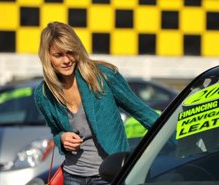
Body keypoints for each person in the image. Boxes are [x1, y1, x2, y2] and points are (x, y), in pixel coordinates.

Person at [34, 21, 159, 185]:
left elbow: (142, 112)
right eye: (58, 55)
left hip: (109, 175)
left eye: (70, 52)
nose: (66, 60)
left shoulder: (103, 76)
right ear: (47, 57)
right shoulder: (43, 94)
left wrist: (181, 143)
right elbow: (56, 131)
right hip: (72, 176)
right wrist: (62, 138)